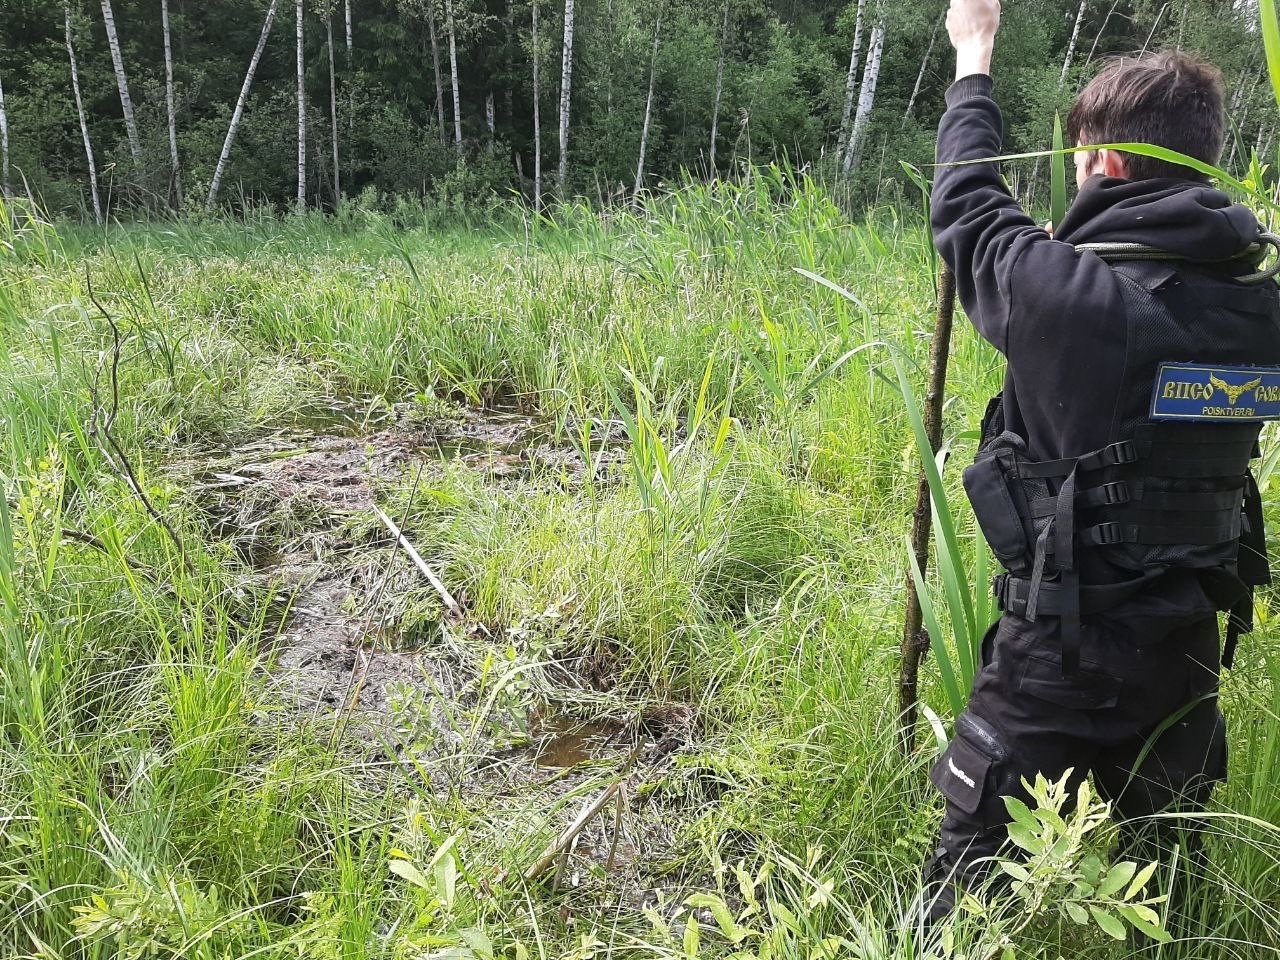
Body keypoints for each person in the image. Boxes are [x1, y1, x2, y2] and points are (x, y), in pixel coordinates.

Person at [922, 0, 1280, 927]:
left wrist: (975, 56)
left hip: (1056, 658)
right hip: (1191, 650)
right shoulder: (1263, 313)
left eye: (1080, 163)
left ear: (1106, 164)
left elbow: (965, 199)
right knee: (1169, 892)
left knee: (962, 896)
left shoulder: (1066, 295)